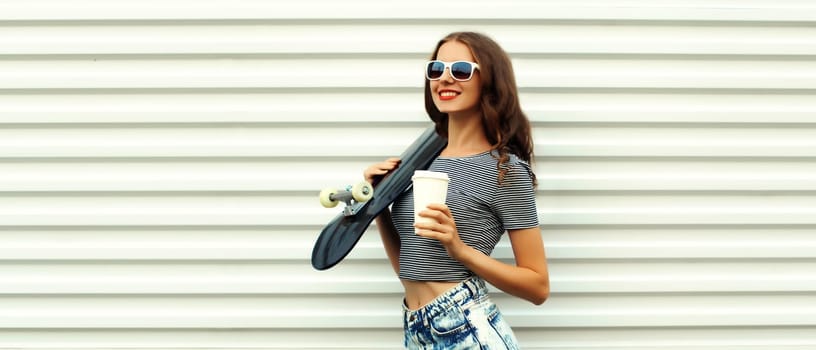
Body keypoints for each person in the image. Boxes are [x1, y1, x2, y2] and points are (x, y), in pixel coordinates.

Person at [364, 31, 549, 349]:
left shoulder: (505, 171)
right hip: (417, 328)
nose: (444, 79)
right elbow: (412, 266)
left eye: (461, 70)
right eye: (436, 70)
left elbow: (538, 286)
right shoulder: (419, 160)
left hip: (466, 328)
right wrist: (378, 205)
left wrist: (460, 249)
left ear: (489, 81)